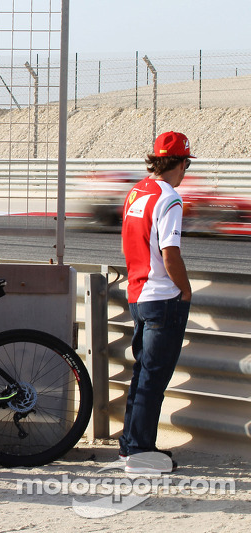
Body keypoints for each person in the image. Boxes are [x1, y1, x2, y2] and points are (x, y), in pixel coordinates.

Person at [119, 131, 193, 474]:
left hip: (137, 293)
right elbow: (170, 253)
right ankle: (140, 454)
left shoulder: (137, 191)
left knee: (142, 375)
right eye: (185, 165)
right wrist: (186, 289)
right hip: (162, 297)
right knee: (153, 378)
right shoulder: (170, 198)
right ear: (178, 163)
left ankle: (130, 445)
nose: (185, 172)